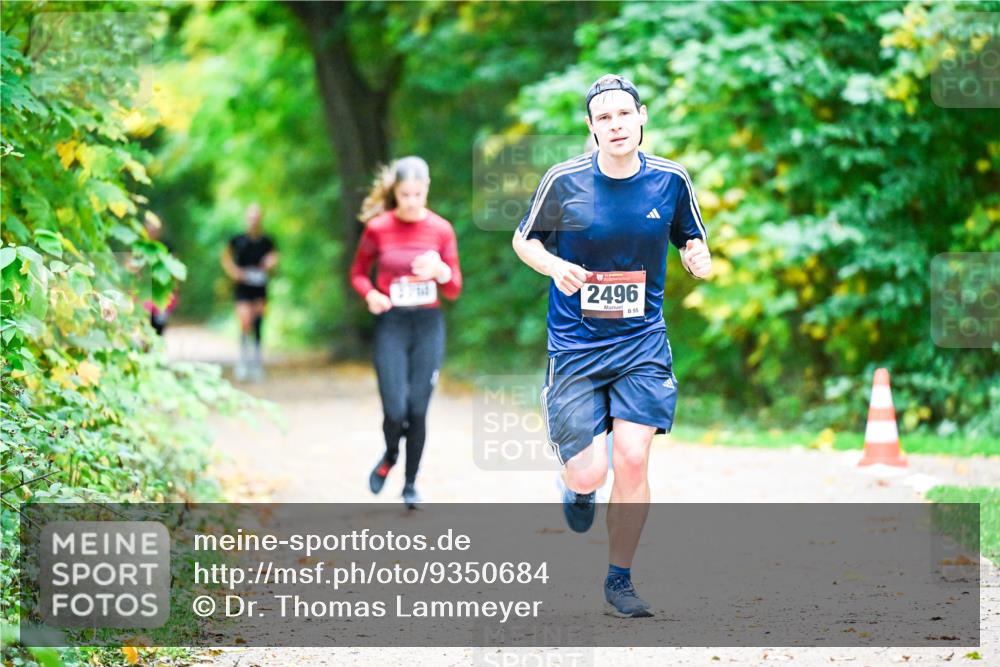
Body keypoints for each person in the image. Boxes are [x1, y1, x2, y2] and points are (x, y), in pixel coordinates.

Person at [511, 74, 712, 618]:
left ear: (641, 116)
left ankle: (619, 579)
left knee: (633, 457)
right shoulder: (565, 181)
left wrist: (699, 255)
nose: (616, 125)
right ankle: (574, 487)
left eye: (624, 114)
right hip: (576, 346)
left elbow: (692, 234)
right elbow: (523, 240)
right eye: (604, 118)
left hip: (642, 342)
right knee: (590, 472)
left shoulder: (670, 180)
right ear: (591, 127)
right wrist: (556, 267)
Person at [350, 156, 462, 510]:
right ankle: (389, 455)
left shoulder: (441, 230)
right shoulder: (379, 228)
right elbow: (357, 272)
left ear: (427, 188)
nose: (412, 201)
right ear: (394, 193)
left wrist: (441, 270)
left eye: (418, 193)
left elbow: (455, 288)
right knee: (395, 410)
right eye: (405, 194)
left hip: (428, 325)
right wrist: (371, 295)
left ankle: (410, 484)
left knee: (418, 409)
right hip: (392, 325)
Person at [221, 203, 278, 382]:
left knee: (259, 321)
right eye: (251, 218)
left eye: (257, 217)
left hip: (259, 285)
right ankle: (243, 360)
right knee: (245, 321)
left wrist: (270, 263)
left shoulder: (266, 241)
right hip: (243, 286)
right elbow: (225, 257)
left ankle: (256, 361)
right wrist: (234, 272)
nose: (254, 221)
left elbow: (275, 257)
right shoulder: (238, 240)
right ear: (247, 219)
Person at [141, 212, 177, 336]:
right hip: (142, 295)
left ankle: (156, 353)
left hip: (162, 295)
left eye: (155, 227)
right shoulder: (138, 246)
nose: (152, 230)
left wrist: (174, 292)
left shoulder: (167, 247)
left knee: (159, 329)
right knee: (142, 329)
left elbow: (175, 272)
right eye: (149, 226)